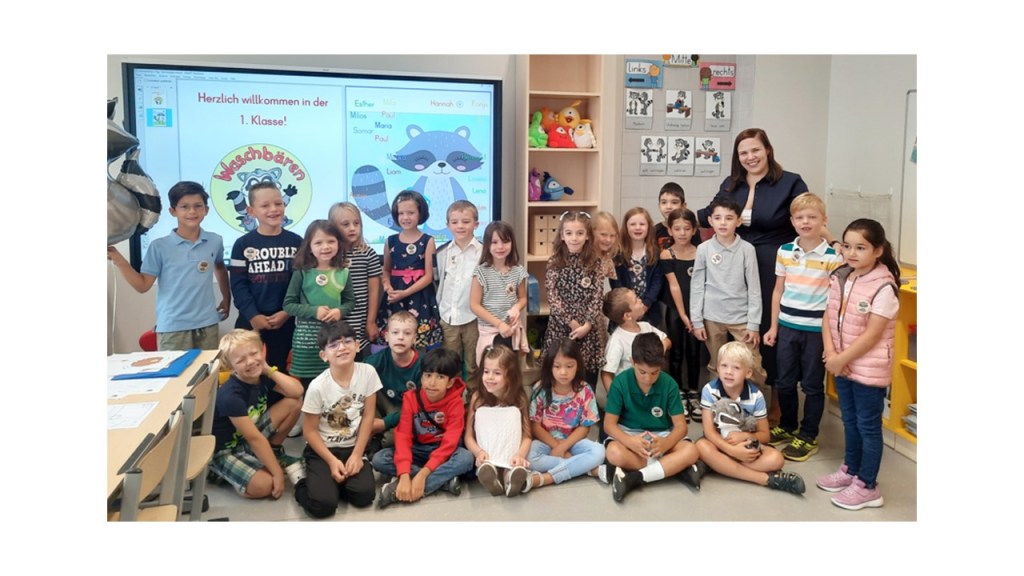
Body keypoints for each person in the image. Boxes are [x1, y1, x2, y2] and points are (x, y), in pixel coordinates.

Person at [696, 128, 826, 419]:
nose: (750, 157)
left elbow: (807, 216)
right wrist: (679, 218)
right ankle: (730, 397)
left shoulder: (790, 182)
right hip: (733, 261)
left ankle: (776, 398)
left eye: (755, 150)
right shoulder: (731, 184)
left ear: (767, 149)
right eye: (743, 152)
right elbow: (708, 213)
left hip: (772, 264)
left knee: (769, 327)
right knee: (736, 330)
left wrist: (834, 242)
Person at [816, 218, 900, 511]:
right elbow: (828, 315)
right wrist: (831, 352)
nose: (852, 253)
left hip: (866, 369)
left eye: (861, 247)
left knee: (868, 426)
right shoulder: (842, 275)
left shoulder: (884, 286)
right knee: (849, 421)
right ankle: (851, 469)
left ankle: (868, 486)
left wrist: (841, 359)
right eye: (848, 246)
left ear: (878, 250)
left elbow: (873, 334)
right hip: (842, 365)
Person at [763, 193, 844, 461]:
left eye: (812, 217)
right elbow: (778, 291)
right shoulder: (785, 251)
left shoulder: (833, 256)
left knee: (811, 385)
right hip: (787, 326)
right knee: (784, 382)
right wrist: (773, 327)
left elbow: (836, 300)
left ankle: (808, 435)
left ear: (824, 220)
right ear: (792, 221)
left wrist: (832, 339)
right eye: (800, 217)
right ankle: (788, 426)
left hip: (816, 332)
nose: (806, 222)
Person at [107, 181, 230, 350]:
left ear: (206, 210)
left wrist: (227, 298)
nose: (192, 212)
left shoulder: (215, 240)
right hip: (173, 326)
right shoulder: (159, 247)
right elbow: (142, 285)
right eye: (184, 207)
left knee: (208, 366)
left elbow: (220, 267)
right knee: (175, 368)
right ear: (173, 211)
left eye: (198, 206)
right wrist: (119, 260)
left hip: (208, 324)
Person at [294, 321, 381, 518]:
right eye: (333, 345)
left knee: (364, 496)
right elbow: (309, 431)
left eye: (347, 341)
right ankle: (301, 481)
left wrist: (357, 455)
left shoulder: (368, 372)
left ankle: (331, 483)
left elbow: (368, 416)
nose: (342, 348)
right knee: (323, 506)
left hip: (353, 446)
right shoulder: (317, 387)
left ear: (357, 346)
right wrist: (332, 462)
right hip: (323, 450)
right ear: (324, 355)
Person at [694, 342, 806, 495]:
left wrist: (745, 436)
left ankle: (717, 465)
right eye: (724, 366)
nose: (729, 372)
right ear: (718, 368)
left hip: (745, 446)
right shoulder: (709, 390)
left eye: (736, 368)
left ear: (748, 373)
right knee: (701, 446)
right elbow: (709, 432)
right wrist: (731, 450)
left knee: (776, 459)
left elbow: (764, 436)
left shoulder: (756, 396)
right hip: (718, 443)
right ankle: (764, 479)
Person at [603, 333, 701, 502]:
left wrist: (665, 444)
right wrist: (630, 442)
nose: (648, 379)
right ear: (632, 361)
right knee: (614, 453)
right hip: (629, 434)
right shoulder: (620, 382)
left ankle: (636, 477)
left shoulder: (669, 384)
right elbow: (609, 425)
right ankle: (671, 467)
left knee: (691, 451)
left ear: (661, 365)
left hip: (662, 435)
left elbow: (681, 426)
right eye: (642, 372)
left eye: (655, 373)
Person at [372, 348, 474, 508]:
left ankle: (397, 492)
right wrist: (404, 474)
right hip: (418, 449)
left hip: (444, 451)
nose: (432, 383)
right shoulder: (411, 398)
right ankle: (443, 481)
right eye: (428, 375)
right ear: (421, 377)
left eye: (440, 377)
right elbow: (403, 436)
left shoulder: (456, 403)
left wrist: (423, 474)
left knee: (466, 458)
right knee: (380, 459)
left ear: (450, 382)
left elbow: (450, 443)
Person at [209, 329, 304, 500]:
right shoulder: (231, 396)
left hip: (250, 437)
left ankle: (273, 452)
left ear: (262, 351)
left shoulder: (261, 374)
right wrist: (277, 473)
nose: (251, 362)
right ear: (231, 367)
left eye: (254, 353)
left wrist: (268, 369)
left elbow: (297, 391)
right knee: (265, 485)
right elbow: (255, 439)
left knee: (294, 402)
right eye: (241, 360)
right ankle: (219, 472)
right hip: (227, 450)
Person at [691, 197, 768, 388]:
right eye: (718, 218)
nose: (723, 223)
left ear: (739, 221)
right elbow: (697, 286)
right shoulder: (703, 249)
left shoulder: (747, 250)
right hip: (712, 317)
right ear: (710, 221)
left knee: (753, 364)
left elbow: (754, 288)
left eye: (729, 218)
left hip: (741, 317)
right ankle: (717, 401)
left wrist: (754, 324)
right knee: (717, 364)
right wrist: (697, 321)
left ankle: (751, 401)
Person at [229, 181, 303, 374]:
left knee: (277, 370)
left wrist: (287, 312)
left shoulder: (297, 242)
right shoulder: (242, 244)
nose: (273, 209)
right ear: (251, 211)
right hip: (250, 321)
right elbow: (238, 285)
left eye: (278, 203)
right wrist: (253, 315)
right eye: (265, 205)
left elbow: (301, 284)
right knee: (247, 371)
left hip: (284, 321)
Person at [525, 338, 605, 491]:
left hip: (574, 442)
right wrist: (557, 447)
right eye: (557, 366)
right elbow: (535, 425)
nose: (563, 372)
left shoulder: (585, 390)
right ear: (550, 366)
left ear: (578, 366)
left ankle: (547, 478)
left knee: (599, 452)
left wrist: (564, 447)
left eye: (569, 366)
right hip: (546, 442)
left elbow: (585, 427)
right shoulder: (540, 389)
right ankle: (582, 468)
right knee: (530, 456)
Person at [283, 220, 355, 388]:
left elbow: (350, 301)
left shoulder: (343, 272)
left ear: (339, 243)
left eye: (331, 241)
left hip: (334, 340)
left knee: (334, 384)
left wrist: (339, 311)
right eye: (318, 243)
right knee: (310, 388)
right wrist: (314, 311)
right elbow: (288, 304)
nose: (325, 247)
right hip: (306, 342)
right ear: (309, 247)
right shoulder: (302, 273)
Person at [542, 210, 607, 385]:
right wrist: (570, 322)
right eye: (569, 233)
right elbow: (552, 296)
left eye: (579, 233)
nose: (574, 238)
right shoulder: (554, 262)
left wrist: (587, 325)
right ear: (562, 236)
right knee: (560, 370)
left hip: (588, 327)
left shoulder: (595, 262)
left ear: (587, 236)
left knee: (586, 374)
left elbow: (597, 296)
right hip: (561, 326)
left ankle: (587, 401)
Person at [377, 190, 443, 350]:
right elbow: (386, 270)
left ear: (420, 214)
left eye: (411, 213)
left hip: (420, 297)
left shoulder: (428, 240)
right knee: (396, 338)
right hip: (395, 297)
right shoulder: (390, 241)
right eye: (401, 213)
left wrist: (405, 293)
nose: (405, 217)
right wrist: (387, 286)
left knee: (420, 340)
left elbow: (428, 276)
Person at [464, 344, 533, 497]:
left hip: (511, 453)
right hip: (486, 453)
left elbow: (527, 435)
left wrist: (519, 455)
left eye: (497, 373)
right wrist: (478, 452)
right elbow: (468, 436)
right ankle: (490, 473)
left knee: (513, 412)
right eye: (486, 371)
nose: (489, 377)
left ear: (510, 376)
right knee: (483, 413)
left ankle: (510, 475)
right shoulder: (478, 398)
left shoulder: (519, 398)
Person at [660, 208, 703, 420]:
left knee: (695, 352)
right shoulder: (667, 254)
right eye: (677, 229)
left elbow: (703, 284)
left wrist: (695, 314)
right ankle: (677, 393)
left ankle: (693, 391)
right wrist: (684, 315)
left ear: (694, 229)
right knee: (676, 353)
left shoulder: (701, 252)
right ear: (670, 230)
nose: (682, 233)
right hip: (676, 311)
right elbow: (674, 286)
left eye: (687, 228)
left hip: (698, 310)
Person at [434, 200, 482, 382]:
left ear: (476, 224)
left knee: (473, 364)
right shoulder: (442, 252)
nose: (460, 226)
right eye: (454, 222)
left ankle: (473, 396)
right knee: (451, 363)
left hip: (474, 318)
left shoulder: (484, 252)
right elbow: (438, 281)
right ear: (448, 225)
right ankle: (454, 397)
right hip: (448, 317)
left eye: (466, 221)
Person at [329, 201, 383, 360]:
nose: (352, 228)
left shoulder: (368, 254)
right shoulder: (329, 255)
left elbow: (374, 291)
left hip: (359, 321)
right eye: (345, 224)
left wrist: (371, 322)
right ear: (333, 227)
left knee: (356, 359)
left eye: (356, 223)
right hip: (334, 321)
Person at [470, 221, 528, 365]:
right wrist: (499, 324)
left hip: (511, 330)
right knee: (490, 368)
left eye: (505, 241)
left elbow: (523, 298)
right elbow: (474, 305)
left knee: (510, 369)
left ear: (512, 243)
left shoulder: (518, 270)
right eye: (494, 242)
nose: (500, 247)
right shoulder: (481, 272)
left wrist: (517, 307)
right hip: (489, 330)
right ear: (487, 244)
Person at [600, 287, 671, 400]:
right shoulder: (617, 341)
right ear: (627, 315)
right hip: (631, 394)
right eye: (636, 300)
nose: (640, 300)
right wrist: (616, 399)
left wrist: (659, 349)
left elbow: (667, 340)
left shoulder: (646, 326)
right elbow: (606, 374)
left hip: (653, 388)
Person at [365, 311, 422, 445]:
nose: (400, 337)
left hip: (409, 410)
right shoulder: (377, 360)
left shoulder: (423, 366)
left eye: (407, 333)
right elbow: (357, 377)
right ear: (386, 336)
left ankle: (379, 438)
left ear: (415, 339)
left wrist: (385, 423)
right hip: (383, 403)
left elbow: (421, 406)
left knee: (392, 440)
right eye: (395, 332)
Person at [612, 207, 665, 328]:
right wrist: (630, 308)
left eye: (642, 224)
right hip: (624, 311)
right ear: (626, 227)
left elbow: (657, 282)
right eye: (633, 224)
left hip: (649, 311)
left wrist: (645, 305)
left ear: (649, 227)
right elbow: (616, 283)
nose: (637, 227)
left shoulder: (655, 253)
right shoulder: (618, 254)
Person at [591, 210, 620, 291]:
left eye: (612, 236)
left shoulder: (607, 259)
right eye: (603, 234)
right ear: (591, 233)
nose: (608, 240)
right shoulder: (583, 256)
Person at [653, 182, 685, 250]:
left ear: (683, 206)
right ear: (659, 206)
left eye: (674, 202)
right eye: (664, 202)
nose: (668, 207)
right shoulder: (654, 231)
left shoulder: (689, 230)